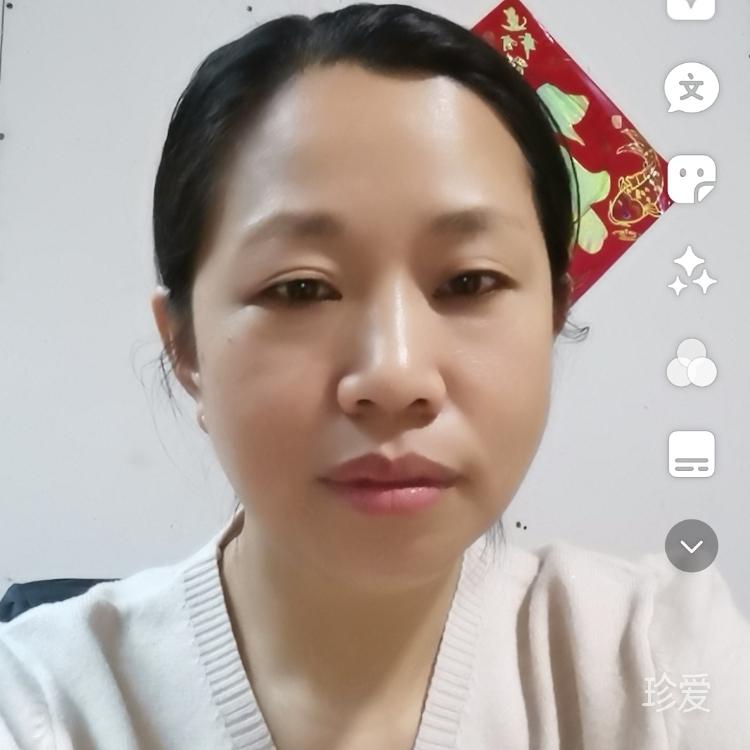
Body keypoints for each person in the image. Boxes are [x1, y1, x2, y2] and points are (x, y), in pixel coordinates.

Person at [1, 4, 749, 749]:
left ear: (554, 313)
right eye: (301, 289)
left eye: (469, 282)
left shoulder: (656, 659)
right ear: (186, 348)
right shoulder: (43, 701)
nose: (394, 376)